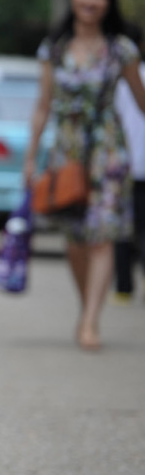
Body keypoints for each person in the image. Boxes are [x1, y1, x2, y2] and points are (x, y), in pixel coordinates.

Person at [24, 0, 145, 351]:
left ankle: (91, 320)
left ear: (109, 2)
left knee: (103, 235)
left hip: (108, 151)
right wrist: (31, 158)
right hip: (68, 151)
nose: (90, 1)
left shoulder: (121, 49)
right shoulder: (54, 49)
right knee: (76, 238)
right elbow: (43, 105)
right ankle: (85, 307)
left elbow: (141, 101)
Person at [113, 23, 145, 304]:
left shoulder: (116, 82)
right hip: (128, 166)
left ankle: (123, 288)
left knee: (123, 231)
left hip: (122, 166)